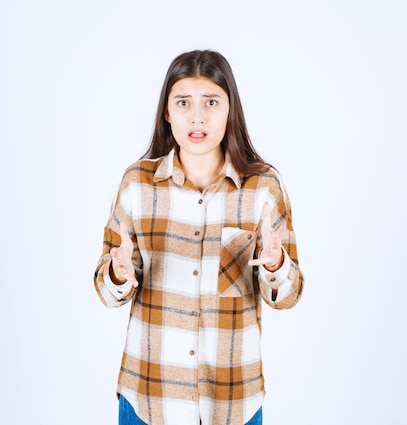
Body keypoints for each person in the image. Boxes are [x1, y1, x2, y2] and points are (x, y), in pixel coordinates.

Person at [94, 49, 304, 425]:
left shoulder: (263, 188)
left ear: (230, 110)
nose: (197, 116)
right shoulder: (137, 185)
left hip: (232, 402)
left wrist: (275, 264)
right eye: (183, 102)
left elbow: (288, 295)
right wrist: (119, 272)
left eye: (211, 102)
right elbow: (106, 291)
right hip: (148, 397)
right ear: (167, 112)